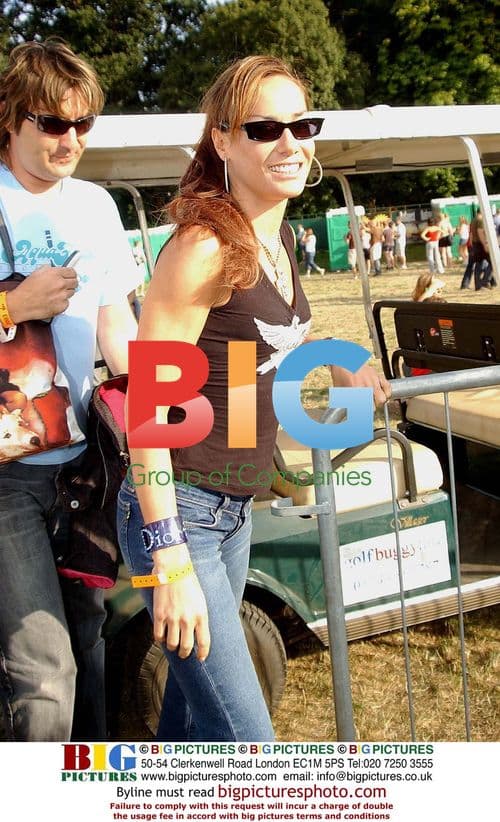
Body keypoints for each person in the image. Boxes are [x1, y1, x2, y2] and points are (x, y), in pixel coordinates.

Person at [117, 54, 391, 741]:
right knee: (249, 744)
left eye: (303, 124)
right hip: (176, 516)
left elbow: (259, 338)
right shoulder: (202, 247)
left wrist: (338, 354)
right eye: (265, 128)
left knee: (190, 726)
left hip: (233, 510)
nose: (290, 142)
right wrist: (169, 558)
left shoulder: (278, 236)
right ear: (222, 140)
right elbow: (145, 411)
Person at [0, 39, 139, 741]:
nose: (71, 139)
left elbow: (118, 323)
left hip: (85, 467)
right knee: (44, 674)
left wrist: (159, 413)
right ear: (10, 116)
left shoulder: (95, 205)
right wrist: (11, 307)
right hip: (5, 475)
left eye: (84, 123)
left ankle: (83, 789)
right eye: (53, 122)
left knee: (87, 638)